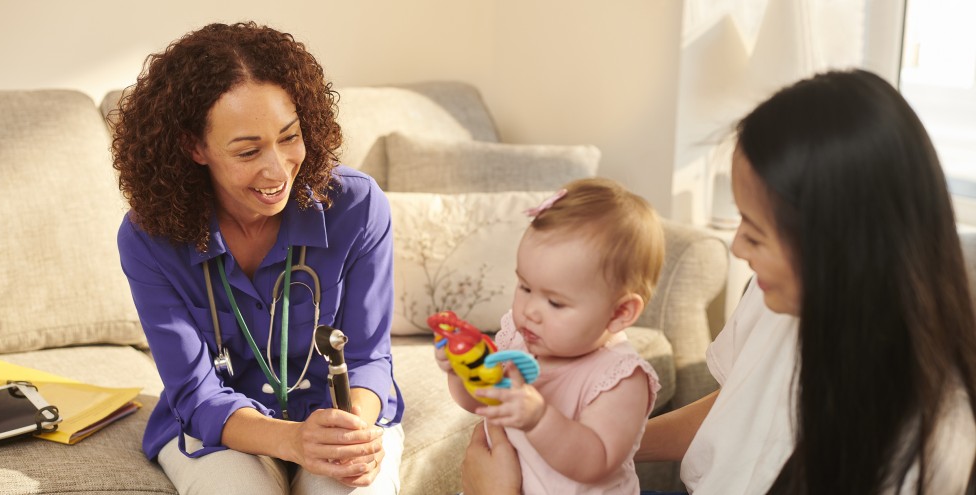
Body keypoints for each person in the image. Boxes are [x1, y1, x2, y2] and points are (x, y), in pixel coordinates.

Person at [463, 69, 976, 494]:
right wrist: (591, 441)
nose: (736, 249)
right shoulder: (778, 305)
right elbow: (738, 407)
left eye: (754, 234)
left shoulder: (926, 439)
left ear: (835, 245)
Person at [110, 22, 404, 494]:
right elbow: (196, 392)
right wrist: (291, 441)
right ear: (194, 147)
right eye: (248, 151)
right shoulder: (149, 237)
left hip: (338, 418)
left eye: (289, 137)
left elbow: (369, 357)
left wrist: (350, 435)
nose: (277, 170)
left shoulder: (356, 207)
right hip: (224, 428)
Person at [437, 178, 665, 493]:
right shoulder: (520, 339)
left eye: (555, 302)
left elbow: (595, 460)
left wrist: (540, 420)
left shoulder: (620, 378)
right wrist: (461, 369)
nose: (530, 310)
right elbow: (480, 401)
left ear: (619, 313)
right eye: (525, 287)